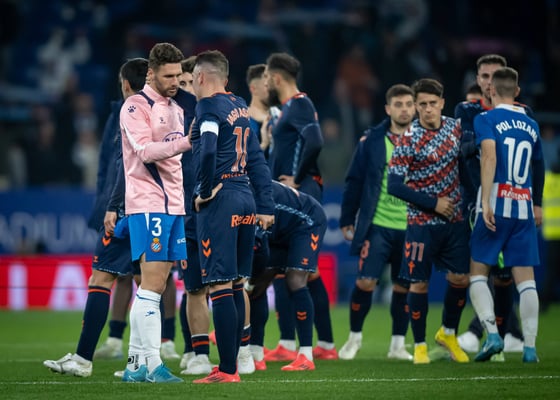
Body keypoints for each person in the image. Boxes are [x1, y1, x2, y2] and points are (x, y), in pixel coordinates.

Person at [42, 57, 148, 378]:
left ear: (125, 84)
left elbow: (123, 166)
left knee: (101, 279)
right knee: (150, 285)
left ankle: (83, 359)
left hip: (127, 207)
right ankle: (145, 361)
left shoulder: (128, 112)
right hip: (158, 209)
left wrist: (111, 205)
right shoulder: (165, 112)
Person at [189, 50, 274, 383]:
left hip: (221, 200)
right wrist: (265, 204)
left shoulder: (207, 107)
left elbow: (209, 148)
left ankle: (226, 370)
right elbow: (256, 159)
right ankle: (235, 362)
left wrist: (203, 189)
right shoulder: (239, 106)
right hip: (245, 197)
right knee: (237, 283)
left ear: (199, 77)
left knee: (219, 285)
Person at [119, 42, 191, 383]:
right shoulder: (136, 106)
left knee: (156, 287)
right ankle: (153, 365)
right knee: (151, 286)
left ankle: (135, 366)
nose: (175, 81)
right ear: (151, 74)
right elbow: (145, 151)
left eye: (178, 75)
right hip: (149, 204)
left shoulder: (175, 107)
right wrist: (187, 141)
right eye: (168, 76)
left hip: (173, 205)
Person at [387, 78, 470, 364]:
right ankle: (420, 345)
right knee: (419, 284)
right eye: (421, 104)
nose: (427, 109)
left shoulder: (455, 128)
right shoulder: (408, 138)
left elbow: (464, 167)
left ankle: (448, 333)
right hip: (421, 223)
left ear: (442, 103)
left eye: (432, 103)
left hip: (454, 220)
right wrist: (434, 203)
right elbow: (394, 186)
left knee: (461, 278)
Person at [263, 52, 336, 361]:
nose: (265, 83)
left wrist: (297, 177)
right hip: (289, 192)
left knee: (303, 271)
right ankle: (292, 343)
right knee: (286, 269)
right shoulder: (288, 109)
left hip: (301, 193)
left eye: (266, 77)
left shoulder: (301, 104)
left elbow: (315, 141)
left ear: (276, 78)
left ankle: (325, 345)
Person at [469, 66, 544, 363]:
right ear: (517, 91)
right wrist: (537, 203)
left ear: (490, 90)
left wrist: (486, 202)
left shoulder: (485, 118)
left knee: (478, 273)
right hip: (523, 206)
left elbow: (489, 156)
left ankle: (492, 335)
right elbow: (537, 166)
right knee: (526, 281)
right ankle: (530, 348)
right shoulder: (532, 125)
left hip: (497, 204)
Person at [338, 84, 415, 361]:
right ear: (388, 109)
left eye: (408, 104)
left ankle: (398, 345)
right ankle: (354, 339)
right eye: (398, 104)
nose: (404, 109)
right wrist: (347, 217)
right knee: (365, 283)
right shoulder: (371, 140)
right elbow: (354, 180)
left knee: (403, 287)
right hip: (378, 225)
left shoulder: (424, 141)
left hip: (411, 227)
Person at [456, 54, 526, 355]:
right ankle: (501, 333)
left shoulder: (522, 113)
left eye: (494, 76)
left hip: (509, 201)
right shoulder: (467, 110)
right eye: (484, 76)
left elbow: (533, 162)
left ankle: (492, 333)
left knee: (504, 274)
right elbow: (462, 150)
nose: (489, 83)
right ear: (478, 79)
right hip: (474, 202)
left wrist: (535, 203)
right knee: (473, 272)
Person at [247, 180, 328, 371]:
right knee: (259, 283)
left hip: (307, 221)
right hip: (277, 229)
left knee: (295, 279)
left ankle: (305, 356)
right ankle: (256, 354)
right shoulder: (237, 192)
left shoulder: (249, 196)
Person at [173, 55, 215, 376]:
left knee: (226, 285)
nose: (186, 89)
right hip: (184, 211)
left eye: (189, 82)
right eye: (181, 83)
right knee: (192, 287)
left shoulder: (213, 115)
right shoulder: (174, 119)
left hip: (213, 210)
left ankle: (243, 350)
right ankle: (192, 348)